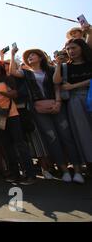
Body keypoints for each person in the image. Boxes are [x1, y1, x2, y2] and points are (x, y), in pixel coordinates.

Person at [10, 47, 84, 184]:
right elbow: (13, 72)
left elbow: (57, 86)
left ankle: (78, 170)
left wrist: (58, 102)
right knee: (52, 138)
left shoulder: (50, 70)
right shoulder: (26, 73)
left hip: (57, 106)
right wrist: (12, 54)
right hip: (39, 109)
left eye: (33, 55)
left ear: (40, 57)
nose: (30, 57)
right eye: (29, 56)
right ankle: (64, 171)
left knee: (67, 136)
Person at [0, 59, 37, 185]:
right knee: (6, 147)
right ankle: (15, 174)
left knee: (20, 144)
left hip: (12, 115)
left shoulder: (7, 79)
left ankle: (30, 174)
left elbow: (14, 94)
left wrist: (1, 92)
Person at [54, 39, 92, 169]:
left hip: (88, 95)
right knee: (83, 132)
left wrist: (74, 85)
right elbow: (56, 81)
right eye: (68, 49)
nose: (71, 51)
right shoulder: (66, 67)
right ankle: (89, 163)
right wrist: (58, 65)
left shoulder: (89, 62)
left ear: (82, 47)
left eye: (74, 47)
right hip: (76, 101)